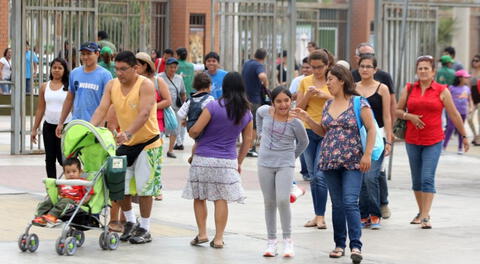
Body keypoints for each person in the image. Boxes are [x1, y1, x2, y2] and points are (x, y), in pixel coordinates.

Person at [293, 64, 376, 263]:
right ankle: (339, 244)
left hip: (353, 161)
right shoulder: (327, 105)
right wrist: (307, 119)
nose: (327, 83)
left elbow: (371, 129)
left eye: (330, 79)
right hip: (329, 161)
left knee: (349, 202)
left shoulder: (358, 102)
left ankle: (355, 245)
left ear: (342, 80)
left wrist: (367, 155)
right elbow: (323, 131)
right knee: (337, 204)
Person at [90, 51, 162, 244]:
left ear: (135, 68)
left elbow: (145, 113)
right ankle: (130, 221)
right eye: (117, 69)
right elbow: (102, 109)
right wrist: (89, 128)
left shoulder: (145, 85)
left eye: (124, 69)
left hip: (148, 143)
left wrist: (128, 132)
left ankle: (145, 227)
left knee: (145, 188)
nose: (119, 73)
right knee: (119, 185)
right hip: (126, 143)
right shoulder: (112, 85)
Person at [396, 55, 470, 229]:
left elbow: (454, 114)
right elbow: (397, 110)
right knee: (416, 180)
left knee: (427, 177)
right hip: (412, 139)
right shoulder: (409, 88)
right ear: (417, 71)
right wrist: (410, 116)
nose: (423, 71)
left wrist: (464, 135)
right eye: (420, 68)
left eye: (426, 68)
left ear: (433, 71)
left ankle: (425, 216)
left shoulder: (442, 90)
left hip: (434, 140)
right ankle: (422, 212)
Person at [182, 71, 253, 249]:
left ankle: (202, 233)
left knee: (199, 197)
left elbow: (196, 130)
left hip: (203, 158)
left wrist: (190, 131)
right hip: (227, 161)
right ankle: (219, 238)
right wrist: (239, 162)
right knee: (220, 199)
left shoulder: (213, 106)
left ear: (225, 87)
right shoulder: (246, 112)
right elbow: (248, 141)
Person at [256, 87, 308, 258]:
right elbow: (257, 113)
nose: (283, 104)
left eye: (286, 100)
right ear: (272, 102)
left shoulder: (295, 122)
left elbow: (303, 142)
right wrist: (260, 134)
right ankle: (271, 242)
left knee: (283, 200)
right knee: (269, 202)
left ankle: (288, 241)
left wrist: (291, 157)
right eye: (278, 101)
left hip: (285, 164)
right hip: (265, 163)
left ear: (291, 101)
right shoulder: (264, 112)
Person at [351, 42, 396, 219]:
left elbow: (387, 116)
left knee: (371, 176)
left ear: (375, 69)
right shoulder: (353, 88)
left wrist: (390, 139)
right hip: (357, 136)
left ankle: (376, 212)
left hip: (377, 137)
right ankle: (363, 213)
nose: (365, 69)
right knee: (361, 177)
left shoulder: (382, 88)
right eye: (362, 66)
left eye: (369, 67)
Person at [296, 49, 333, 229]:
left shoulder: (333, 81)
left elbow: (344, 101)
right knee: (312, 175)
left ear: (327, 66)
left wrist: (326, 95)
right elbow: (299, 108)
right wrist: (309, 95)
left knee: (320, 175)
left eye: (320, 67)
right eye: (313, 67)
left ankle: (321, 215)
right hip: (308, 131)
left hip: (327, 131)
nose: (316, 71)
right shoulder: (305, 81)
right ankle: (318, 215)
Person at [55, 42, 113, 138]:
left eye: (89, 54)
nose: (85, 57)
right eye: (83, 54)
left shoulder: (105, 75)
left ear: (97, 54)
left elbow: (109, 104)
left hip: (96, 127)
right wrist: (61, 122)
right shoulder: (74, 73)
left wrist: (102, 126)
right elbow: (69, 99)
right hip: (77, 124)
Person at [135, 52, 172, 202]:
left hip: (156, 125)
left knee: (155, 159)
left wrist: (151, 106)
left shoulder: (157, 81)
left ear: (146, 66)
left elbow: (168, 100)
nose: (135, 67)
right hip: (137, 125)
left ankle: (157, 188)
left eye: (138, 64)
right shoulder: (134, 82)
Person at [31, 58, 72, 179]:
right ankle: (52, 187)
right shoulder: (44, 86)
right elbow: (40, 109)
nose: (57, 70)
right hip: (48, 126)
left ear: (65, 70)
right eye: (54, 67)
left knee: (62, 158)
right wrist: (34, 128)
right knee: (49, 158)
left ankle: (70, 185)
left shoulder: (69, 86)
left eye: (60, 68)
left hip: (64, 127)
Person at [31, 158, 93, 226]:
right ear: (64, 173)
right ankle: (39, 217)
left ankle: (52, 216)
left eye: (74, 171)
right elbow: (59, 192)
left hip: (73, 202)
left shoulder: (83, 182)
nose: (71, 174)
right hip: (62, 199)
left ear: (80, 172)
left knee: (64, 201)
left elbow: (89, 193)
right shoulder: (63, 182)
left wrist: (83, 201)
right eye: (68, 172)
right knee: (48, 201)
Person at [177, 72, 215, 163]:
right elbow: (213, 113)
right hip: (203, 126)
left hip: (190, 126)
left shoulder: (190, 99)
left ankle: (194, 156)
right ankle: (194, 156)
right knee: (201, 141)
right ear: (209, 86)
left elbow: (181, 113)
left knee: (197, 141)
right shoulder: (210, 99)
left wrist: (184, 120)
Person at [242, 48, 269, 158]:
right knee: (253, 125)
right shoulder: (258, 65)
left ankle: (245, 145)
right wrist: (265, 85)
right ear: (264, 57)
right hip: (254, 99)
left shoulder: (247, 63)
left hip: (244, 98)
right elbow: (262, 76)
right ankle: (250, 148)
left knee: (244, 123)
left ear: (254, 54)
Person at [289, 57, 313, 180]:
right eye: (303, 67)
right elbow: (291, 97)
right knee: (303, 143)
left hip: (317, 122)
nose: (305, 70)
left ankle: (310, 171)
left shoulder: (324, 82)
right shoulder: (298, 81)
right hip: (301, 118)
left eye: (308, 67)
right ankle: (306, 171)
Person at [159, 57, 186, 158]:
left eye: (175, 67)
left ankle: (170, 150)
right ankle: (158, 149)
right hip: (162, 107)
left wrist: (185, 107)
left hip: (175, 108)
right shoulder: (159, 77)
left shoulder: (179, 78)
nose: (173, 70)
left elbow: (183, 93)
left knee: (175, 129)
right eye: (171, 67)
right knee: (160, 130)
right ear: (166, 67)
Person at [443, 70, 473, 154]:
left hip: (463, 112)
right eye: (465, 77)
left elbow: (470, 99)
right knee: (450, 128)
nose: (467, 79)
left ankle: (460, 147)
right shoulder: (452, 88)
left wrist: (471, 107)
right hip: (453, 113)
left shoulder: (467, 88)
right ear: (460, 78)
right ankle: (444, 146)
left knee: (461, 129)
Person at [175, 47, 194, 150]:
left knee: (177, 120)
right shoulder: (191, 66)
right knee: (183, 119)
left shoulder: (175, 65)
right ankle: (181, 140)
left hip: (178, 96)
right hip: (189, 95)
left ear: (178, 55)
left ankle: (178, 142)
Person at [468, 54, 480, 146]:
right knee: (469, 119)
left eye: (477, 61)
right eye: (473, 60)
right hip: (473, 100)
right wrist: (470, 100)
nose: (474, 62)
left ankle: (478, 139)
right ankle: (476, 136)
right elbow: (469, 87)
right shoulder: (471, 72)